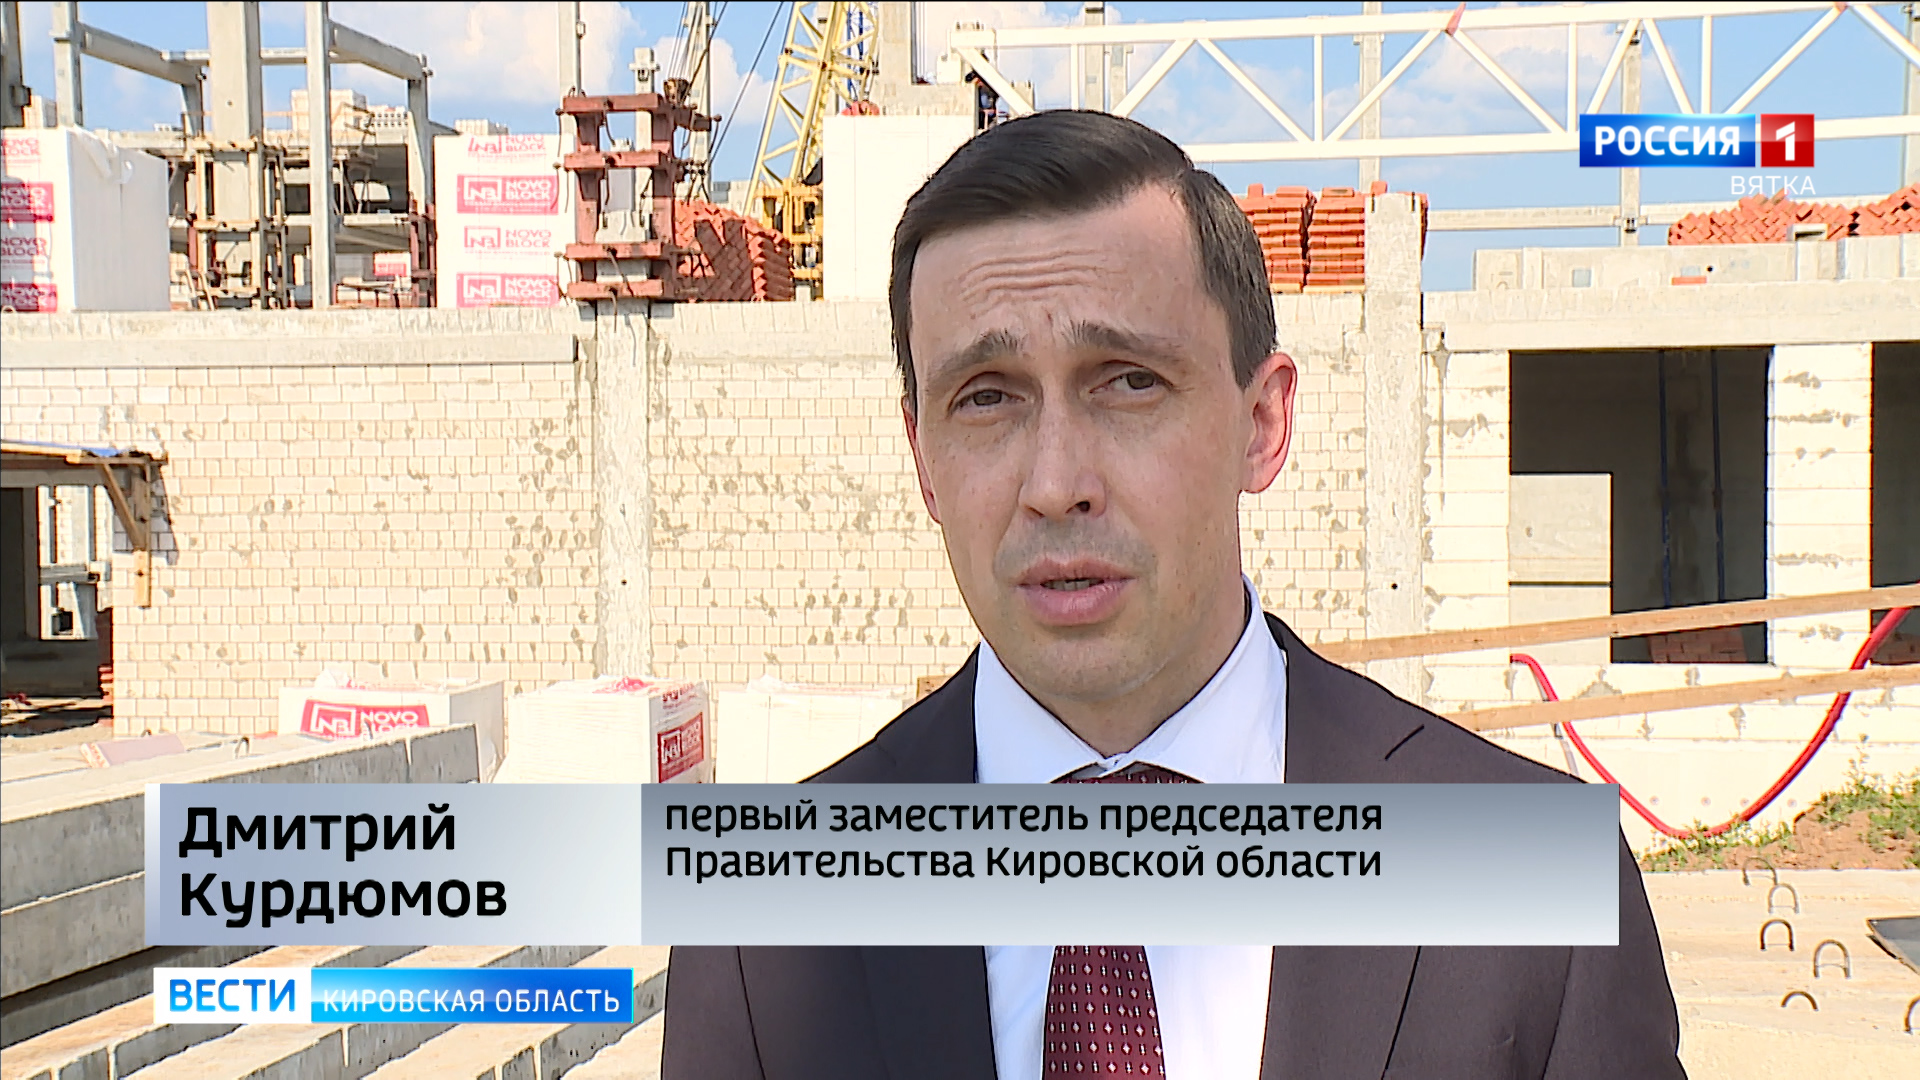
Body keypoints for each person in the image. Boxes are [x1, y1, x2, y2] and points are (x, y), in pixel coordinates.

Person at [662, 110, 1685, 1080]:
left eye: (1128, 381)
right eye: (987, 397)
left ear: (1262, 424)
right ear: (922, 457)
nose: (1056, 483)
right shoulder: (759, 935)